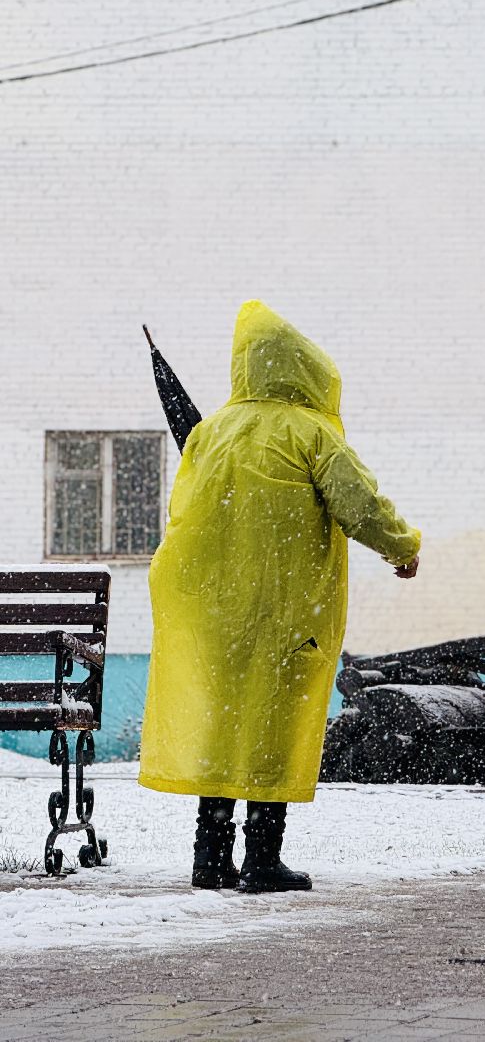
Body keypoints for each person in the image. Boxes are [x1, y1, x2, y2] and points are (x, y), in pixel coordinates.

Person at [138, 301, 422, 894]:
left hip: (214, 609)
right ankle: (263, 858)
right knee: (274, 725)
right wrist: (402, 549)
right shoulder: (309, 432)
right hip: (286, 610)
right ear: (303, 369)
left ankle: (209, 857)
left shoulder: (210, 432)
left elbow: (185, 515)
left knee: (222, 724)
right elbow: (358, 503)